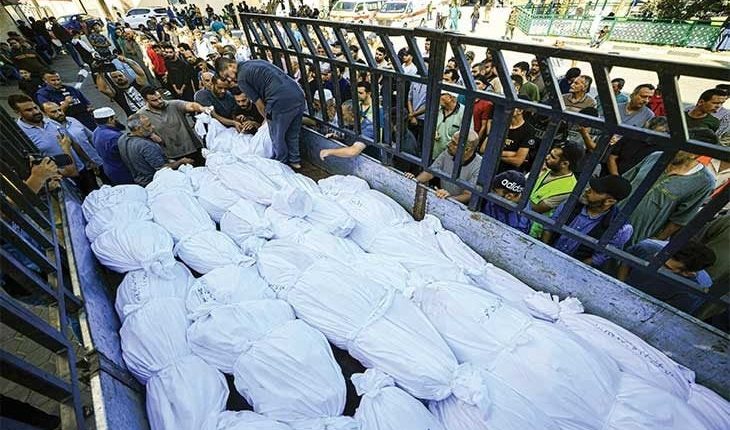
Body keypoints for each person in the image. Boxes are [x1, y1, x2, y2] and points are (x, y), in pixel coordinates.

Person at [218, 58, 306, 168]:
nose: (229, 79)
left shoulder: (242, 79)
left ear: (231, 66)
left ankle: (282, 164)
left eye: (227, 75)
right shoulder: (253, 62)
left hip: (279, 100)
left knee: (277, 137)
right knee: (293, 132)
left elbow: (258, 103)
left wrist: (268, 120)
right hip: (297, 94)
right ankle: (295, 161)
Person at [621, 148, 714, 247]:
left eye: (682, 148)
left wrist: (656, 240)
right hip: (613, 217)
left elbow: (680, 219)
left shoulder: (704, 181)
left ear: (695, 154)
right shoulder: (656, 156)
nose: (675, 149)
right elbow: (625, 182)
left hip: (636, 235)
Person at [542, 175, 633, 269]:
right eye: (590, 187)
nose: (587, 190)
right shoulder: (572, 202)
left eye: (595, 191)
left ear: (609, 201)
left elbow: (598, 258)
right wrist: (544, 251)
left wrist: (570, 268)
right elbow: (549, 227)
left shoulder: (620, 227)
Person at [619, 239, 716, 314]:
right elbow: (626, 262)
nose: (656, 263)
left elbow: (668, 313)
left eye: (666, 266)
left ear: (687, 273)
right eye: (659, 257)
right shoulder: (647, 247)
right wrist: (620, 285)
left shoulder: (696, 289)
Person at [10, 94, 79, 179]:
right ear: (18, 112)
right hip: (62, 177)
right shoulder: (21, 134)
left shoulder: (50, 122)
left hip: (81, 169)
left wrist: (89, 161)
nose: (36, 112)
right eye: (29, 110)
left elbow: (72, 142)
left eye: (35, 108)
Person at [137, 86, 211, 165]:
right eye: (154, 100)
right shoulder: (141, 114)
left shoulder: (173, 104)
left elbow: (191, 106)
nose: (159, 101)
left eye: (160, 98)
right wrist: (150, 134)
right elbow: (137, 131)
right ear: (146, 101)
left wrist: (202, 109)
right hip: (172, 155)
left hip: (192, 148)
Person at [405, 130, 482, 204]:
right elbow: (431, 172)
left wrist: (448, 198)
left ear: (467, 149)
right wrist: (413, 181)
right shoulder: (448, 153)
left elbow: (468, 195)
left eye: (453, 143)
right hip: (442, 196)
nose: (448, 144)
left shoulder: (479, 166)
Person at [117, 114, 194, 186]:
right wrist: (180, 162)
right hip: (156, 182)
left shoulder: (122, 139)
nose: (153, 127)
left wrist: (149, 135)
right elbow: (163, 169)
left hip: (140, 181)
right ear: (139, 129)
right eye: (148, 125)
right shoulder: (145, 146)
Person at [528, 141, 584, 238]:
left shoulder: (568, 188)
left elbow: (536, 208)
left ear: (564, 164)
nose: (547, 157)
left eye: (553, 157)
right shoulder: (550, 169)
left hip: (531, 230)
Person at [41, 101, 104, 179]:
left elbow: (91, 137)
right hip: (78, 169)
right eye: (53, 112)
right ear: (46, 115)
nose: (59, 113)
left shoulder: (72, 120)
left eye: (59, 110)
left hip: (95, 160)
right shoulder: (50, 132)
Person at [92, 107, 134, 185]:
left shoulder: (96, 132)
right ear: (110, 120)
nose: (117, 120)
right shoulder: (115, 137)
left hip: (111, 170)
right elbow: (130, 155)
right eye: (115, 118)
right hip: (124, 172)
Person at [498, 97, 538, 173]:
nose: (507, 108)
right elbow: (485, 149)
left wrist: (497, 155)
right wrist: (511, 153)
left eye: (511, 106)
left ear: (520, 111)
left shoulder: (529, 130)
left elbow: (518, 161)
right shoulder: (501, 124)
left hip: (510, 173)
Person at [434, 90, 469, 159]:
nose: (438, 96)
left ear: (450, 98)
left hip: (450, 156)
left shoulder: (465, 112)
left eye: (441, 95)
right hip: (433, 153)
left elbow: (466, 136)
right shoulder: (437, 107)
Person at [473, 76, 494, 150]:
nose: (474, 85)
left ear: (484, 86)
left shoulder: (486, 103)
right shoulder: (467, 98)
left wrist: (476, 143)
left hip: (475, 134)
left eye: (478, 83)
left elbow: (483, 126)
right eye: (473, 83)